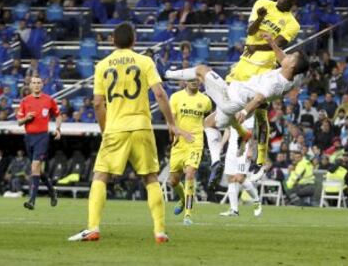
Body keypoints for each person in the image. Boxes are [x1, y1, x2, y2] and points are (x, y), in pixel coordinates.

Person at [68, 22, 192, 243]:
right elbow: (160, 94)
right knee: (150, 177)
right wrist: (172, 124)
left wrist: (105, 130)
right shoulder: (145, 61)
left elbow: (98, 103)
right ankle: (160, 231)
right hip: (142, 126)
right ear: (134, 41)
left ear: (113, 41)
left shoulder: (102, 65)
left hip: (115, 128)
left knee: (101, 175)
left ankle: (93, 228)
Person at [166, 32, 309, 183]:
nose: (287, 55)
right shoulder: (291, 77)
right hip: (235, 104)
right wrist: (272, 44)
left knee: (202, 70)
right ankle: (216, 162)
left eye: (291, 56)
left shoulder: (275, 83)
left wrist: (245, 111)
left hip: (233, 98)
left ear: (292, 64)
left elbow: (259, 98)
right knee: (209, 123)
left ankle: (166, 75)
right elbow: (283, 59)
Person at [225, 0, 300, 172]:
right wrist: (259, 17)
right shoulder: (263, 3)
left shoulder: (292, 24)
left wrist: (257, 48)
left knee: (259, 114)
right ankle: (229, 156)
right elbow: (251, 32)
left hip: (265, 70)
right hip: (244, 63)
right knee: (230, 108)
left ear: (293, 2)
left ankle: (255, 160)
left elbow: (278, 45)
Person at [169, 79, 212, 225]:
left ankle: (187, 215)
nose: (194, 81)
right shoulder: (175, 97)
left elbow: (208, 119)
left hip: (195, 142)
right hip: (179, 142)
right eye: (191, 79)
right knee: (173, 181)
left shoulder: (205, 101)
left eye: (197, 79)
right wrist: (175, 135)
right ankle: (182, 199)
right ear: (184, 81)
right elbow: (171, 121)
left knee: (190, 173)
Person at [16, 76, 61, 210]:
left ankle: (32, 200)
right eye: (34, 83)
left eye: (38, 83)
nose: (36, 85)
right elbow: (19, 122)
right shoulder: (25, 101)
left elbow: (58, 115)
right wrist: (26, 118)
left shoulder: (49, 100)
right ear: (30, 85)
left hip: (42, 137)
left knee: (34, 167)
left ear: (42, 85)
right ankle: (52, 191)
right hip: (29, 137)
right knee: (38, 170)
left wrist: (58, 129)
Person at [219, 127, 262, 217]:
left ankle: (256, 200)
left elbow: (252, 132)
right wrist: (222, 144)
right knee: (231, 178)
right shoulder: (230, 113)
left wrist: (250, 148)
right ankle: (234, 210)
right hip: (231, 149)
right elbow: (228, 130)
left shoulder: (247, 114)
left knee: (240, 178)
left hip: (243, 148)